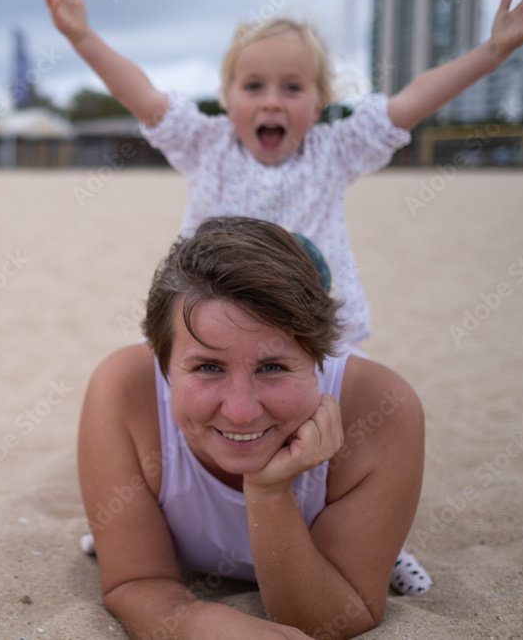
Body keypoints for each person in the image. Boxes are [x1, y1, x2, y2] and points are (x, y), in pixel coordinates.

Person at [44, 0, 523, 350]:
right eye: (253, 86)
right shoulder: (206, 144)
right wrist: (83, 38)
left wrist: (492, 51)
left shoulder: (335, 151)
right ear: (227, 99)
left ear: (319, 104)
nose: (272, 101)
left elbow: (411, 102)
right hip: (212, 322)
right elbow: (142, 96)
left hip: (312, 331)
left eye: (292, 88)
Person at [77, 216, 427, 639]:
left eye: (272, 367)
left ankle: (388, 545)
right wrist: (204, 626)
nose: (241, 412)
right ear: (162, 362)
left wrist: (269, 491)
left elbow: (338, 617)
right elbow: (135, 582)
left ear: (319, 358)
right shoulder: (124, 391)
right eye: (208, 367)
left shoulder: (382, 409)